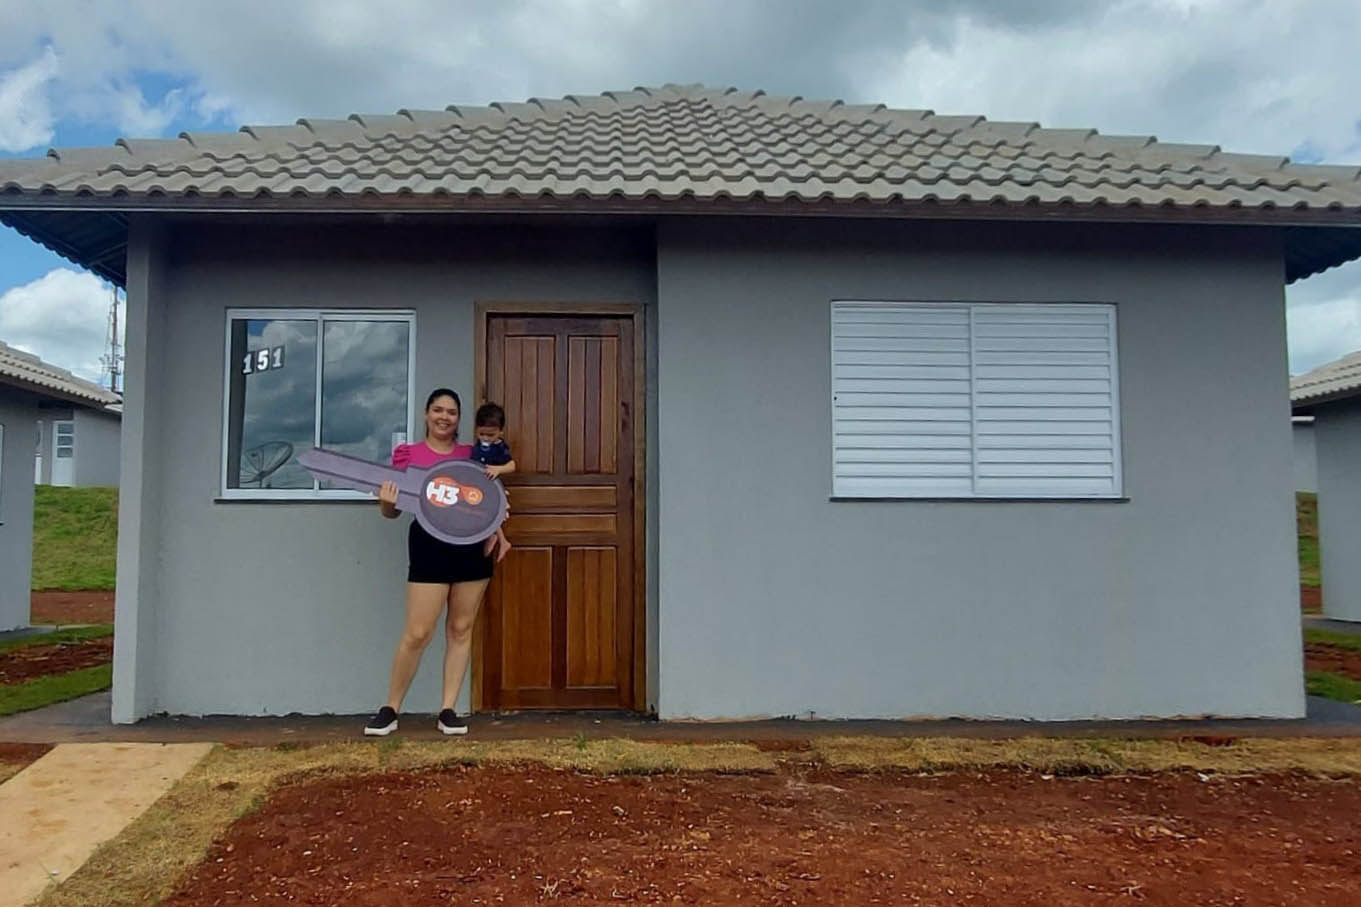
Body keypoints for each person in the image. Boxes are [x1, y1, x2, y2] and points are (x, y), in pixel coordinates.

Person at [364, 388, 510, 737]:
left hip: (472, 547)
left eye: (452, 412)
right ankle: (391, 708)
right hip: (429, 546)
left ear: (460, 419)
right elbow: (391, 512)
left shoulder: (472, 454)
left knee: (460, 629)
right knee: (418, 632)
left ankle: (448, 710)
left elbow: (490, 501)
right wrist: (386, 501)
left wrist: (500, 533)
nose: (444, 417)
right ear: (427, 414)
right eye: (438, 410)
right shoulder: (408, 455)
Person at [470, 402, 516, 478]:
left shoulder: (500, 447)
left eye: (490, 435)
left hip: (493, 483)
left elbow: (512, 466)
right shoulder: (478, 444)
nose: (485, 438)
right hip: (477, 481)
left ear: (500, 432)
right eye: (481, 434)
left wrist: (498, 469)